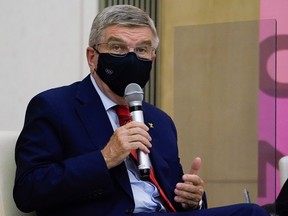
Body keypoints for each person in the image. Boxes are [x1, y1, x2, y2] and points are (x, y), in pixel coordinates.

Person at [13, 5, 270, 216]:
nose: (132, 57)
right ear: (92, 57)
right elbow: (28, 191)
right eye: (118, 48)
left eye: (142, 50)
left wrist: (192, 200)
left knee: (252, 213)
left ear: (152, 58)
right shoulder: (54, 107)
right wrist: (105, 158)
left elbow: (169, 195)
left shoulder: (159, 120)